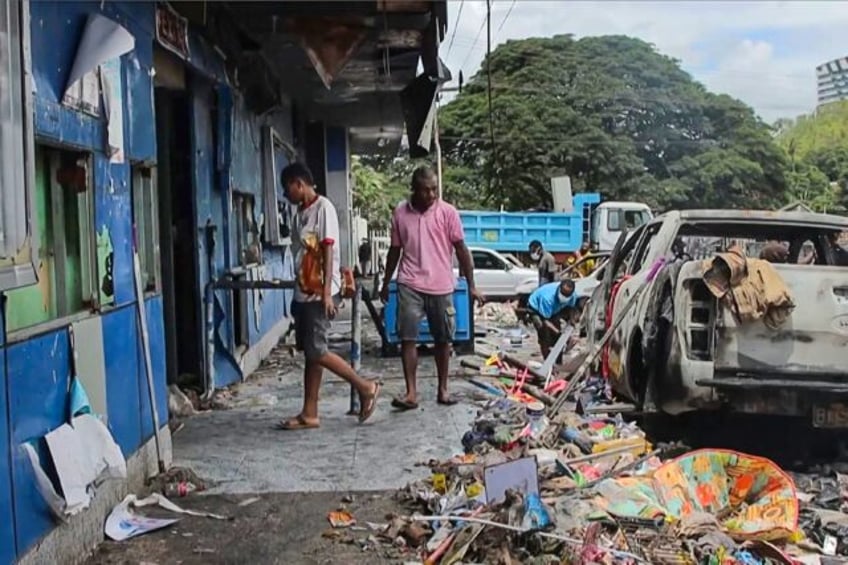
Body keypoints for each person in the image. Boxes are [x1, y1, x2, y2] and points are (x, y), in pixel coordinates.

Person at [277, 163, 381, 430]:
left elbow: (328, 251)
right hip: (304, 290)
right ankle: (309, 412)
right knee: (311, 354)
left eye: (287, 187)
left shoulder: (324, 208)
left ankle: (365, 386)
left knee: (318, 350)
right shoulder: (300, 212)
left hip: (320, 291)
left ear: (299, 183)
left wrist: (326, 294)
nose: (285, 194)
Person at [380, 165, 484, 409]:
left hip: (441, 286)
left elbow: (462, 250)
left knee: (443, 340)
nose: (431, 195)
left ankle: (443, 389)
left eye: (434, 189)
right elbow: (394, 251)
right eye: (426, 190)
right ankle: (411, 393)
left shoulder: (447, 212)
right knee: (407, 338)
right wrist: (385, 283)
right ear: (414, 190)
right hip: (409, 283)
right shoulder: (400, 213)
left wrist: (472, 286)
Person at [527, 279, 578, 359]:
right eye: (563, 294)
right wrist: (559, 333)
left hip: (554, 308)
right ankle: (547, 362)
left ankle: (558, 362)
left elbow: (571, 309)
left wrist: (572, 321)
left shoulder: (573, 296)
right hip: (536, 309)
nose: (565, 297)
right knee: (544, 334)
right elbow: (546, 321)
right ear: (559, 289)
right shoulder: (547, 298)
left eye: (567, 295)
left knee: (558, 338)